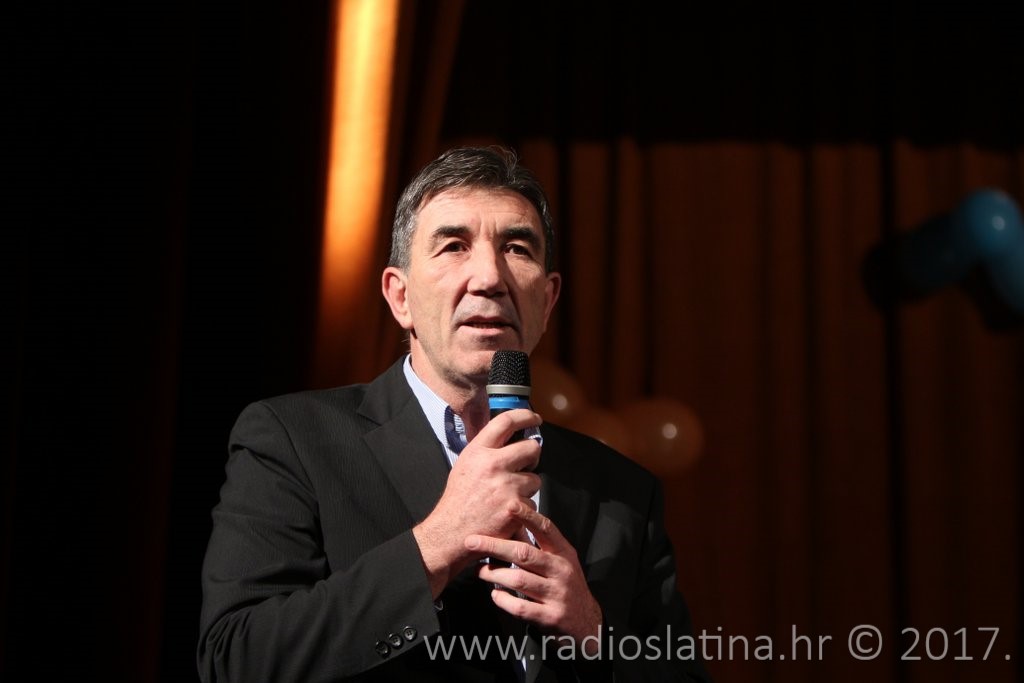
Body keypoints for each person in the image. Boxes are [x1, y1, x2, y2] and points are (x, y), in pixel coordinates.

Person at [198, 147, 712, 682]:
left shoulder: (622, 491)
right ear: (400, 297)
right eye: (453, 246)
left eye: (516, 248)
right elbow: (236, 658)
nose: (489, 277)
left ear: (547, 301)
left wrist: (593, 632)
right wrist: (436, 545)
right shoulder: (293, 440)